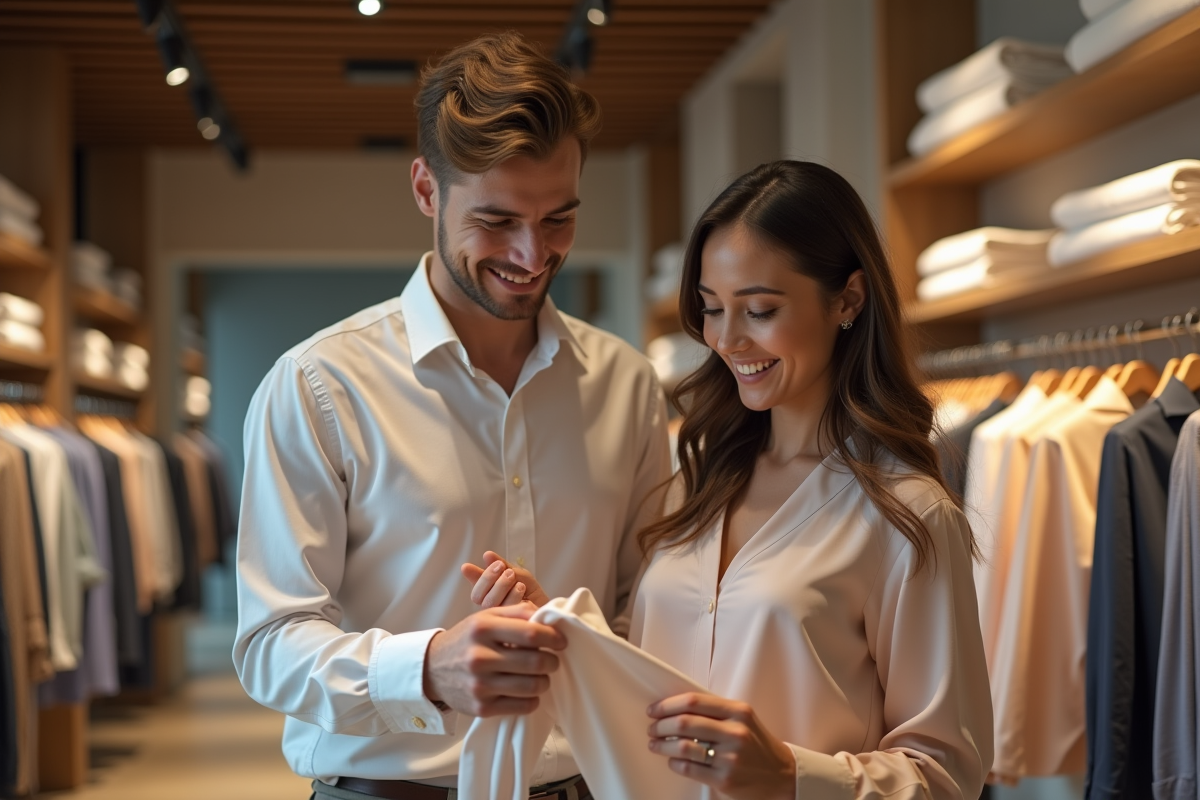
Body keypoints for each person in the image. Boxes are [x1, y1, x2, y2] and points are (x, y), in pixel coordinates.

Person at [233, 32, 672, 800]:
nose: (533, 254)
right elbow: (269, 642)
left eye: (559, 219)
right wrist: (427, 667)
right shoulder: (317, 386)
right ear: (426, 192)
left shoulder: (628, 386)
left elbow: (651, 611)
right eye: (497, 221)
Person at [467, 161, 993, 799]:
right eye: (712, 310)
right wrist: (560, 630)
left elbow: (947, 772)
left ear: (848, 299)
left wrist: (790, 775)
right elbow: (659, 668)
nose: (727, 339)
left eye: (761, 310)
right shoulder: (696, 483)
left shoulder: (907, 515)